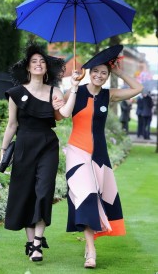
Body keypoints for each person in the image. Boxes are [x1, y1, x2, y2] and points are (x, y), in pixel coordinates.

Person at [53, 44, 143, 269]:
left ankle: (89, 245)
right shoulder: (76, 91)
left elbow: (137, 88)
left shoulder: (108, 95)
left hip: (100, 155)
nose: (99, 76)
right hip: (77, 152)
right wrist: (72, 87)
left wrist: (120, 72)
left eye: (104, 72)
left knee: (101, 198)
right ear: (89, 72)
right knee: (87, 196)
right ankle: (91, 251)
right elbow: (60, 116)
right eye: (96, 72)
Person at [0, 41, 80, 262]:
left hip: (47, 144)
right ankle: (31, 244)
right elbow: (12, 125)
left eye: (42, 61)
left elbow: (63, 114)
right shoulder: (16, 93)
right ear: (28, 67)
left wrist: (73, 87)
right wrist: (4, 149)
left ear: (46, 68)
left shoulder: (55, 91)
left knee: (44, 191)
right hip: (24, 144)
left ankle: (38, 243)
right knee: (26, 193)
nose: (38, 64)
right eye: (34, 61)